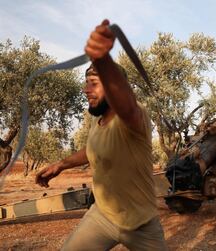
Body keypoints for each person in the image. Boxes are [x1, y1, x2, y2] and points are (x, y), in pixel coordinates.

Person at [35, 19, 168, 251]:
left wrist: (102, 59)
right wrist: (62, 164)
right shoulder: (98, 122)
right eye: (86, 83)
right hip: (102, 216)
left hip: (142, 225)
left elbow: (126, 104)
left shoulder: (133, 119)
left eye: (94, 83)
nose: (86, 90)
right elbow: (92, 150)